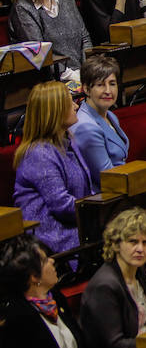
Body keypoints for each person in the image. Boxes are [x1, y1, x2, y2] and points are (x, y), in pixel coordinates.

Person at [0, 234, 102, 348]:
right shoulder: (18, 319)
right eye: (45, 260)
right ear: (34, 276)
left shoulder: (55, 298)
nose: (52, 261)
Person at [13, 82, 92, 255]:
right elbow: (62, 206)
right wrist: (99, 213)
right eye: (69, 102)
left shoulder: (67, 141)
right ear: (55, 111)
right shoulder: (38, 154)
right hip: (52, 239)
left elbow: (85, 191)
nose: (76, 105)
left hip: (76, 227)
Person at [80, 208, 146, 348]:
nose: (140, 249)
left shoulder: (138, 274)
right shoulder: (104, 286)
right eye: (133, 242)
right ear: (116, 244)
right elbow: (115, 345)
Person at [71, 56, 129, 193]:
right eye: (100, 85)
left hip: (123, 185)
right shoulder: (86, 127)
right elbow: (108, 178)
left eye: (112, 83)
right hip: (105, 198)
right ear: (86, 89)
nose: (108, 91)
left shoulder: (110, 115)